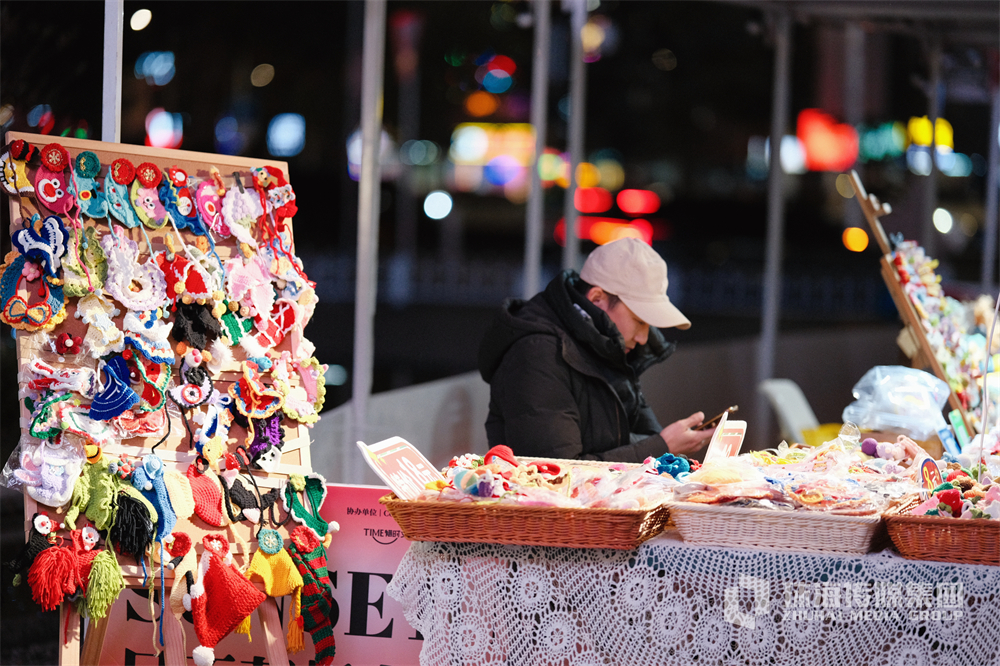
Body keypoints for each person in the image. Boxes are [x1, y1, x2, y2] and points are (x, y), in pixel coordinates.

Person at [478, 236, 714, 462]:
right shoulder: (538, 353)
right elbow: (556, 474)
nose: (644, 337)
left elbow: (637, 439)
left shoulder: (607, 347)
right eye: (639, 320)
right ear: (597, 299)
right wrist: (661, 446)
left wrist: (664, 447)